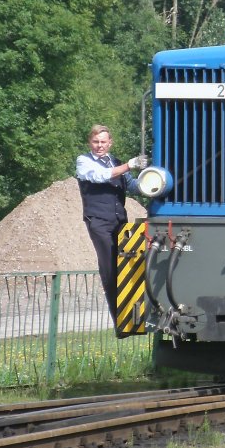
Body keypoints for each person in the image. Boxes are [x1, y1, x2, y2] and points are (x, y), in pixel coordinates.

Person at [75, 124, 147, 323]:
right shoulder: (84, 161)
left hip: (120, 222)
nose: (99, 145)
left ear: (110, 143)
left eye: (103, 142)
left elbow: (133, 186)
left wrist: (153, 181)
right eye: (96, 142)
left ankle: (134, 316)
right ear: (90, 142)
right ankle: (120, 321)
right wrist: (129, 165)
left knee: (128, 266)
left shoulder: (115, 162)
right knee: (109, 269)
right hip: (99, 222)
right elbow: (100, 176)